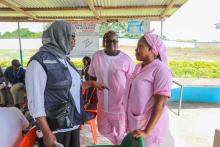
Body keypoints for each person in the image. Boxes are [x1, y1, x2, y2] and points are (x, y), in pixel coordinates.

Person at [26, 20, 106, 147]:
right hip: (54, 129)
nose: (75, 40)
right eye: (72, 36)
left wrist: (91, 83)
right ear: (60, 35)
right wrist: (46, 132)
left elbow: (72, 88)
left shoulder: (65, 60)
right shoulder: (39, 62)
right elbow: (35, 103)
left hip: (71, 124)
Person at [125, 30, 172, 146]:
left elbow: (160, 104)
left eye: (140, 46)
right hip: (137, 122)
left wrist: (146, 131)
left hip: (150, 127)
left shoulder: (161, 70)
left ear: (152, 49)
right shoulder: (138, 67)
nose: (136, 50)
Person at [88, 30, 134, 144]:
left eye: (114, 41)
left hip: (119, 108)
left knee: (121, 135)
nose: (111, 43)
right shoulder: (96, 56)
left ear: (118, 42)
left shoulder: (126, 59)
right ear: (103, 42)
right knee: (103, 130)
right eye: (107, 41)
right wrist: (88, 98)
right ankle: (117, 144)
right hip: (102, 106)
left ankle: (119, 143)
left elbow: (132, 84)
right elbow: (92, 79)